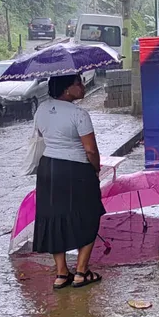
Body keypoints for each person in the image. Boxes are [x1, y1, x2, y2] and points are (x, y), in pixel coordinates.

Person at [33, 74, 104, 289]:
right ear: (66, 89)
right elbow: (90, 149)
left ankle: (62, 274)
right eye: (78, 84)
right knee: (90, 214)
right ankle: (82, 272)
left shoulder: (41, 109)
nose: (83, 87)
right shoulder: (79, 114)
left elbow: (41, 135)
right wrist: (96, 168)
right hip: (76, 170)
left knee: (54, 218)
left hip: (48, 169)